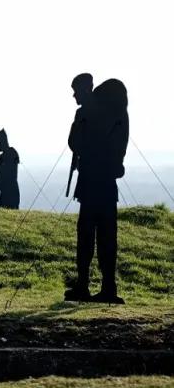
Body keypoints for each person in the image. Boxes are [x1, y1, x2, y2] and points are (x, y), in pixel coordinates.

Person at [67, 78, 129, 304]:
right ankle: (107, 288)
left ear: (86, 89)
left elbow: (75, 143)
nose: (74, 97)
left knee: (87, 236)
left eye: (76, 92)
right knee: (106, 237)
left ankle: (84, 286)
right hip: (105, 182)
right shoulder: (112, 111)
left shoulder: (86, 113)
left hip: (92, 181)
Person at [0, 129, 20, 210]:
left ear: (2, 142)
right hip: (9, 190)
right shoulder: (12, 153)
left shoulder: (7, 155)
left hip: (9, 190)